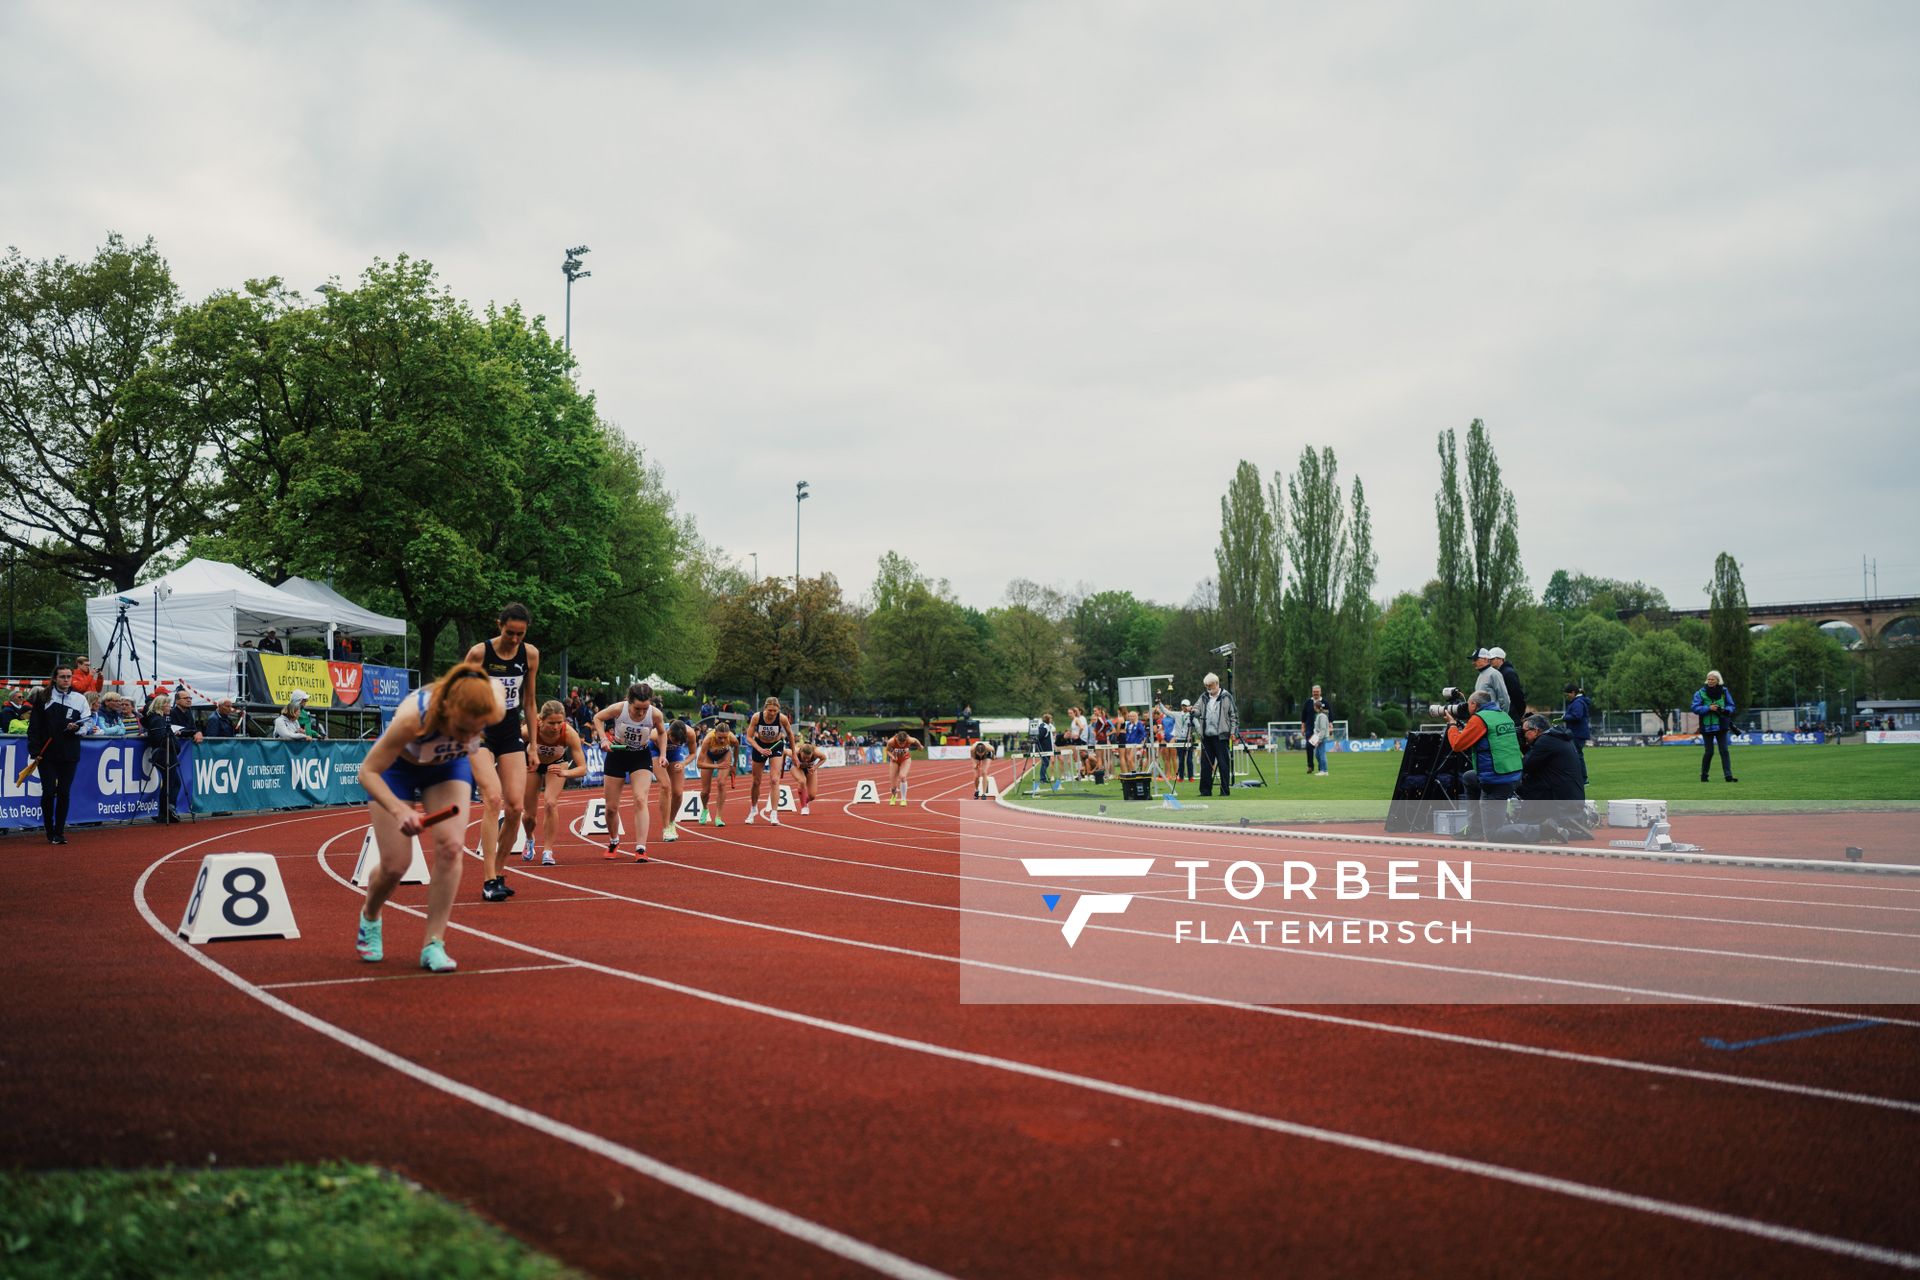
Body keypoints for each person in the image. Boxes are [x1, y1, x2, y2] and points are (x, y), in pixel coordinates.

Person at [354, 661, 506, 973]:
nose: (468, 739)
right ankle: (370, 915)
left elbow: (476, 741)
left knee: (451, 848)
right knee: (396, 865)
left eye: (477, 731)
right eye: (463, 729)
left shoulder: (494, 703)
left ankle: (433, 943)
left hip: (447, 768)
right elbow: (367, 772)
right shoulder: (413, 717)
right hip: (398, 772)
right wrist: (400, 810)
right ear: (448, 710)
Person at [466, 603, 540, 903]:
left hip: (510, 731)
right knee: (493, 799)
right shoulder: (479, 654)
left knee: (514, 808)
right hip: (480, 731)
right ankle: (487, 879)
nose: (514, 639)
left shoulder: (530, 655)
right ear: (499, 626)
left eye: (520, 634)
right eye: (510, 633)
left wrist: (533, 744)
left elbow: (531, 701)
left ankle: (497, 872)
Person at [593, 682, 665, 861]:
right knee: (611, 808)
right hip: (617, 754)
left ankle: (641, 848)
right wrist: (603, 739)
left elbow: (662, 733)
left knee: (640, 799)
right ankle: (614, 840)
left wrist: (663, 754)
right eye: (637, 709)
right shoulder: (619, 709)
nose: (641, 713)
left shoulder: (655, 714)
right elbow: (597, 718)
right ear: (629, 701)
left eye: (644, 708)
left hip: (640, 756)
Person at [1493, 714, 1590, 844]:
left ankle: (1529, 821)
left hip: (1559, 801)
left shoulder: (1546, 741)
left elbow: (1524, 765)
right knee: (1529, 780)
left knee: (1516, 782)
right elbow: (1535, 763)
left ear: (1536, 730)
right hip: (1569, 797)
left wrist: (1515, 746)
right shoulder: (1558, 737)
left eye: (1524, 732)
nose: (1523, 735)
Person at [1444, 688, 1524, 839]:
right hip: (1513, 774)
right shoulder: (1503, 715)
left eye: (1467, 705)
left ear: (1474, 704)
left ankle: (1542, 829)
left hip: (1496, 780)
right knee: (1469, 777)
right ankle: (1475, 829)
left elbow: (1457, 745)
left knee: (1494, 835)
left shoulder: (1479, 719)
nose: (1466, 708)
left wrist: (1452, 725)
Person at [521, 700, 586, 867]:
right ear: (541, 720)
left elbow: (582, 768)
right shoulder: (529, 730)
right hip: (532, 765)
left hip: (557, 765)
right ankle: (529, 839)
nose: (556, 727)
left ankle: (548, 851)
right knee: (528, 816)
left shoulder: (569, 734)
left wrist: (566, 772)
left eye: (559, 722)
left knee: (550, 803)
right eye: (551, 723)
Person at [31, 668, 88, 844]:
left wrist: (77, 728)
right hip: (46, 754)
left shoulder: (80, 699)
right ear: (55, 678)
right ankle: (49, 829)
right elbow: (34, 727)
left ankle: (59, 832)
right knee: (48, 792)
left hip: (69, 753)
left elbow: (88, 724)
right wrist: (35, 751)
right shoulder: (43, 698)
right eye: (62, 677)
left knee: (64, 792)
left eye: (68, 677)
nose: (66, 680)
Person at [743, 696, 793, 825]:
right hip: (760, 746)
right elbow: (748, 737)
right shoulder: (756, 717)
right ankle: (753, 809)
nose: (772, 713)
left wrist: (796, 756)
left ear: (778, 710)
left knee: (775, 779)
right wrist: (760, 749)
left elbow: (791, 735)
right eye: (770, 710)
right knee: (756, 781)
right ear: (765, 708)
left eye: (775, 711)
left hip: (775, 746)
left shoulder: (782, 718)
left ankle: (774, 813)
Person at [142, 693, 186, 824]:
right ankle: (165, 811)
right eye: (167, 704)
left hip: (167, 753)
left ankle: (168, 809)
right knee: (170, 782)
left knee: (173, 782)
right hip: (163, 753)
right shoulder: (157, 719)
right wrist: (171, 736)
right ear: (161, 706)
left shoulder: (161, 719)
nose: (169, 707)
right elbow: (160, 738)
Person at [1194, 672, 1238, 798]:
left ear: (1217, 684)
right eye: (1206, 685)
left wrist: (1233, 732)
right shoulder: (1203, 697)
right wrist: (1192, 710)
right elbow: (1197, 710)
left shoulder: (1226, 697)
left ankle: (1224, 791)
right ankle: (1205, 791)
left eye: (1210, 685)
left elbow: (1234, 716)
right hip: (1206, 736)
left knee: (1223, 764)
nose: (1208, 688)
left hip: (1221, 736)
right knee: (1205, 764)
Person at [1692, 670, 1738, 783]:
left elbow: (1731, 705)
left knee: (1724, 751)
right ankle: (1704, 775)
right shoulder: (1700, 693)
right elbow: (1694, 708)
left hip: (1721, 725)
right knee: (1709, 752)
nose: (1710, 681)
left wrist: (1725, 710)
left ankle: (1728, 776)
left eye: (1713, 679)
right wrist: (1708, 708)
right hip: (1706, 726)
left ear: (1718, 680)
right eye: (1709, 679)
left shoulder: (1724, 691)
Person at [695, 720, 739, 826]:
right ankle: (705, 809)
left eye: (725, 737)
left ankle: (718, 817)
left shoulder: (732, 739)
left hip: (724, 755)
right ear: (715, 733)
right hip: (709, 757)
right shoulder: (708, 740)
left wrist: (734, 765)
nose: (723, 740)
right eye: (720, 737)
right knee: (705, 791)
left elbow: (736, 748)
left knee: (721, 783)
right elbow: (699, 764)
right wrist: (716, 766)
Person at [660, 717, 695, 836]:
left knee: (678, 793)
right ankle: (665, 827)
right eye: (674, 740)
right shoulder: (658, 732)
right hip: (657, 751)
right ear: (669, 733)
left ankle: (671, 823)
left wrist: (683, 763)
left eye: (679, 742)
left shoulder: (690, 733)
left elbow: (693, 753)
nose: (676, 743)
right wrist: (663, 757)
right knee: (665, 786)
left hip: (675, 754)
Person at [1561, 682, 1593, 782]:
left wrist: (1564, 718)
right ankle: (1581, 778)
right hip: (1578, 732)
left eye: (1568, 694)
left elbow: (1577, 716)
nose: (1567, 697)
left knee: (1577, 755)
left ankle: (1582, 779)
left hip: (1577, 733)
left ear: (1573, 692)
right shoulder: (1579, 701)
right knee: (1577, 755)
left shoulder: (1578, 702)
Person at [789, 737, 824, 815]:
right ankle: (804, 807)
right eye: (804, 757)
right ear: (801, 752)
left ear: (812, 754)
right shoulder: (796, 751)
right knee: (802, 781)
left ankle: (804, 800)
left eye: (808, 758)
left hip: (809, 769)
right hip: (796, 767)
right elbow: (784, 752)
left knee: (812, 796)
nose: (806, 760)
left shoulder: (816, 753)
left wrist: (815, 767)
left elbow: (824, 758)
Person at [1470, 648, 1510, 713]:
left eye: (1476, 659)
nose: (1473, 662)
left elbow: (1504, 699)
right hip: (1483, 717)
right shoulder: (1481, 674)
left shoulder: (1494, 674)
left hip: (1493, 717)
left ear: (1486, 659)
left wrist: (1502, 717)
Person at [1300, 684, 1326, 775]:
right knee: (1309, 746)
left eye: (1317, 692)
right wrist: (1303, 727)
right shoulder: (1308, 702)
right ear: (1312, 692)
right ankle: (1310, 766)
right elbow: (1303, 716)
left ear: (1320, 692)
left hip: (1320, 731)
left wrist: (1330, 726)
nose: (1315, 693)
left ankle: (1321, 768)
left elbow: (1329, 715)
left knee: (1319, 750)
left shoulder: (1325, 702)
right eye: (1314, 692)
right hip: (1310, 730)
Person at [884, 729, 916, 805]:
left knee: (902, 777)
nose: (901, 745)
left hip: (905, 759)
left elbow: (916, 740)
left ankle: (903, 799)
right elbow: (887, 750)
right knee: (893, 786)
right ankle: (894, 795)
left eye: (903, 743)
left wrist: (920, 746)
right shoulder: (891, 741)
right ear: (897, 739)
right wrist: (892, 756)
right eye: (899, 743)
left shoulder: (909, 740)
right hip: (894, 761)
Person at [1490, 647, 1526, 714]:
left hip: (1511, 712)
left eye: (1492, 659)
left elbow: (1517, 694)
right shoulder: (1499, 673)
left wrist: (1520, 712)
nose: (1490, 661)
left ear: (1500, 659)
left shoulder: (1508, 673)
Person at [1310, 698, 1332, 777]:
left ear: (1316, 707)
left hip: (1321, 738)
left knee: (1321, 754)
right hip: (1317, 737)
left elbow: (1323, 729)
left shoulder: (1322, 716)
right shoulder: (1319, 715)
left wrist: (1319, 740)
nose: (1314, 708)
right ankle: (1322, 769)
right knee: (1317, 754)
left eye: (1314, 706)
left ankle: (1324, 770)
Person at [1175, 698, 1195, 781]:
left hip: (1189, 739)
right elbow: (1166, 712)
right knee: (1181, 760)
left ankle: (1191, 777)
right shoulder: (1177, 714)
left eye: (1186, 706)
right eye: (1183, 705)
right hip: (1179, 739)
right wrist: (1159, 704)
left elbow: (1197, 725)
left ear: (1189, 706)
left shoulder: (1192, 715)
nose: (1184, 707)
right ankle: (1181, 777)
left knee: (1189, 759)